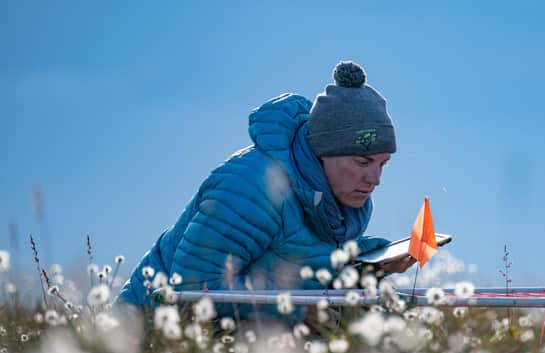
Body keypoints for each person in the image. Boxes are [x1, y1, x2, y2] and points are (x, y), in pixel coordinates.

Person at [116, 60, 415, 319]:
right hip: (142, 338)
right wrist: (295, 311)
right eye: (363, 162)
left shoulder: (338, 196)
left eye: (382, 164)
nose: (375, 179)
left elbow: (302, 254)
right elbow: (192, 287)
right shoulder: (252, 187)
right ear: (325, 151)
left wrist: (373, 261)